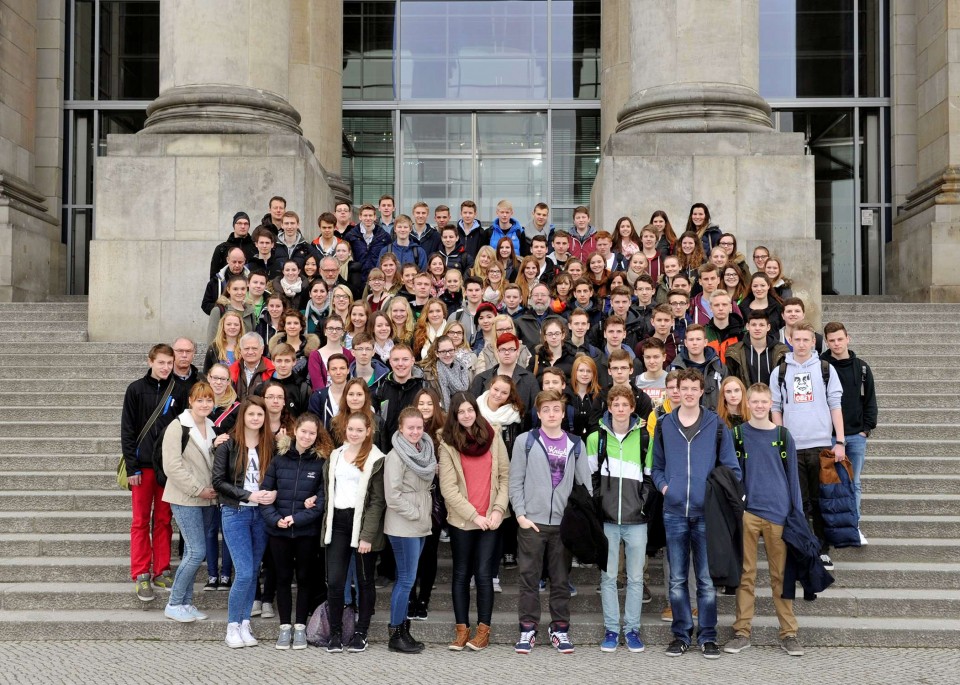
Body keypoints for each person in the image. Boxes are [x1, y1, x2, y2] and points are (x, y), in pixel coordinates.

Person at [652, 368, 741, 659]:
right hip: (674, 511)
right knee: (677, 579)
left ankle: (708, 636)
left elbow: (731, 469)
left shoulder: (716, 426)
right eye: (683, 388)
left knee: (704, 580)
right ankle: (680, 635)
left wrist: (712, 495)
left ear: (702, 391)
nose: (688, 393)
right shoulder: (664, 424)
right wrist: (667, 489)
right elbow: (656, 468)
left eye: (693, 388)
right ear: (675, 391)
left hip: (707, 514)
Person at [723, 383, 805, 658]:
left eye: (763, 402)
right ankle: (742, 631)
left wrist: (797, 515)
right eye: (754, 401)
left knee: (780, 576)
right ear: (748, 403)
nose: (759, 406)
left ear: (771, 403)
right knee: (746, 575)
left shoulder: (783, 436)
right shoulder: (738, 434)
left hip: (778, 514)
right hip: (749, 513)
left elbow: (794, 478)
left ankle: (789, 633)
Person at [510, 390, 593, 655]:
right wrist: (521, 515)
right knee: (529, 578)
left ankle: (559, 628)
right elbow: (515, 481)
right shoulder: (526, 440)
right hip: (531, 522)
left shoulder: (575, 443)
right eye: (546, 410)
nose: (551, 414)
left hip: (562, 526)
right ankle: (527, 628)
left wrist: (578, 521)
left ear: (563, 412)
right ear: (538, 413)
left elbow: (584, 486)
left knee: (560, 579)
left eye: (556, 409)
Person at [770, 321, 846, 570]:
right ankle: (805, 548)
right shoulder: (779, 371)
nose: (801, 344)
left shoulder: (825, 368)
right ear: (789, 340)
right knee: (799, 502)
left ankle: (823, 550)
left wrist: (840, 441)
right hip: (793, 445)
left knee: (821, 500)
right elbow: (776, 408)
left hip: (821, 444)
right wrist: (781, 439)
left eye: (806, 340)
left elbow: (836, 405)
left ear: (813, 342)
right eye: (797, 339)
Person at [438, 392, 510, 651]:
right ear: (454, 416)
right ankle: (461, 630)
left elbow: (504, 476)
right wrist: (474, 516)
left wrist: (497, 511)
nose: (467, 415)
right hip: (463, 521)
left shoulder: (493, 435)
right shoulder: (447, 444)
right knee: (460, 575)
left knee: (483, 576)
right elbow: (448, 489)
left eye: (470, 410)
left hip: (491, 519)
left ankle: (483, 631)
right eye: (461, 412)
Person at [587, 385, 652, 654]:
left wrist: (642, 503)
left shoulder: (645, 437)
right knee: (608, 577)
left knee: (636, 578)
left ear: (632, 408)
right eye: (616, 405)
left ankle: (632, 629)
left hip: (637, 519)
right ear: (609, 407)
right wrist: (601, 503)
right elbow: (590, 478)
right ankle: (612, 629)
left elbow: (649, 477)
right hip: (608, 520)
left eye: (626, 405)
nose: (621, 409)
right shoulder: (596, 439)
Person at [212, 397, 277, 649]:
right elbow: (218, 481)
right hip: (236, 512)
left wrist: (274, 493)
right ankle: (232, 626)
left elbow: (277, 476)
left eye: (259, 415)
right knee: (246, 572)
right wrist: (248, 495)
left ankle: (245, 623)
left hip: (261, 515)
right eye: (251, 414)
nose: (255, 419)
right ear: (243, 416)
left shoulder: (269, 444)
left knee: (253, 573)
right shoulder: (228, 444)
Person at [121, 343, 185, 601]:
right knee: (140, 521)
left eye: (169, 363)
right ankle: (140, 572)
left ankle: (161, 569)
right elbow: (127, 431)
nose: (166, 367)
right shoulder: (135, 389)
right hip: (142, 467)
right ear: (150, 362)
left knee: (163, 520)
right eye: (161, 362)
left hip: (167, 469)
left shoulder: (178, 391)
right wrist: (132, 467)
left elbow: (183, 430)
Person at [260, 413, 327, 650]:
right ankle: (284, 627)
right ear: (294, 430)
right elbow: (265, 496)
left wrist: (296, 519)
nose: (307, 436)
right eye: (304, 431)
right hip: (279, 532)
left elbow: (321, 502)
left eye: (312, 433)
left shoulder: (320, 463)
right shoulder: (278, 460)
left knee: (306, 579)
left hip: (306, 532)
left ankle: (300, 626)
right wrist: (276, 520)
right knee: (282, 578)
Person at [159, 381, 218, 622]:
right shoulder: (177, 426)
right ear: (190, 401)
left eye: (209, 400)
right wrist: (198, 489)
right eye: (200, 399)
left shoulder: (213, 427)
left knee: (195, 553)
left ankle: (186, 603)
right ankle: (174, 603)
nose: (204, 404)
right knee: (195, 552)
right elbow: (172, 466)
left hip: (207, 499)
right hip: (185, 497)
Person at [383, 407, 435, 653]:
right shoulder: (396, 456)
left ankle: (405, 631)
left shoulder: (424, 451)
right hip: (404, 524)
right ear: (400, 429)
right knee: (405, 580)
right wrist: (416, 514)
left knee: (410, 579)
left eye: (419, 427)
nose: (415, 432)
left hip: (420, 523)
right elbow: (392, 497)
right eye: (410, 427)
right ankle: (395, 634)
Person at [823, 321, 878, 544]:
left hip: (856, 435)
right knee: (827, 482)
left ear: (848, 338)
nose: (836, 344)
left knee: (853, 483)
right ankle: (828, 528)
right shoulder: (821, 366)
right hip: (826, 435)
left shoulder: (862, 368)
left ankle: (854, 526)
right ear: (826, 342)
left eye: (840, 339)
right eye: (832, 340)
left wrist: (866, 429)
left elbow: (870, 401)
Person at [405, 390, 447, 622]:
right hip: (411, 498)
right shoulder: (406, 433)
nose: (425, 406)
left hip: (435, 499)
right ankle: (410, 596)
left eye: (429, 403)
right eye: (420, 403)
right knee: (411, 552)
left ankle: (424, 599)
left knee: (429, 552)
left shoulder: (444, 434)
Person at [470, 333, 539, 429]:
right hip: (485, 435)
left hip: (519, 434)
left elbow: (535, 412)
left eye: (511, 349)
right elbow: (472, 409)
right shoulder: (481, 379)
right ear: (497, 352)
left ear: (517, 352)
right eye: (503, 349)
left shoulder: (529, 379)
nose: (507, 353)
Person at [372, 344, 427, 452]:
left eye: (405, 359)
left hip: (417, 451)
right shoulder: (381, 389)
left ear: (412, 361)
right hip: (387, 451)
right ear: (390, 362)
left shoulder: (423, 388)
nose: (400, 364)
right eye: (396, 360)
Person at [669, 324, 727, 412]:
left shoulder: (719, 367)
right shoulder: (674, 367)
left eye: (698, 339)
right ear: (685, 343)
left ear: (705, 342)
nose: (694, 343)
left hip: (713, 420)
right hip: (682, 419)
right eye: (691, 339)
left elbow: (726, 398)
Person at [725, 310, 788, 388]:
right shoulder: (735, 351)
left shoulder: (781, 351)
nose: (757, 328)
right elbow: (730, 380)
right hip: (745, 399)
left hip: (773, 399)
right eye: (754, 325)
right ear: (747, 326)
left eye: (761, 325)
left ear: (768, 327)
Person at [308, 315, 355, 392]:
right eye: (330, 328)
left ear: (343, 332)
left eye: (338, 329)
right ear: (325, 331)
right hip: (322, 399)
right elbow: (317, 385)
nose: (334, 332)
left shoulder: (349, 355)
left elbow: (351, 379)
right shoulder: (315, 355)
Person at [207, 274, 255, 342]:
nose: (240, 292)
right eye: (235, 289)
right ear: (228, 290)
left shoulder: (250, 312)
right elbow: (211, 338)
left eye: (243, 289)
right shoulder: (218, 311)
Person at [202, 246, 250, 316]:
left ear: (244, 261)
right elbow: (205, 305)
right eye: (234, 262)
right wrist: (223, 310)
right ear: (227, 260)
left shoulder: (251, 280)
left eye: (240, 262)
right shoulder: (216, 281)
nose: (237, 265)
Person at [229, 332, 276, 401]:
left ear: (262, 350)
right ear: (240, 350)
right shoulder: (231, 371)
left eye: (254, 348)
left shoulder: (272, 370)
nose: (250, 352)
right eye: (246, 348)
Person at [210, 212, 255, 278]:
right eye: (239, 223)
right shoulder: (222, 248)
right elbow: (214, 277)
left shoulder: (255, 247)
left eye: (246, 224)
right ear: (234, 225)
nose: (243, 226)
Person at [704, 289, 744, 364]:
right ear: (710, 308)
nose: (721, 308)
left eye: (724, 304)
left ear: (730, 307)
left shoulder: (742, 333)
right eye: (716, 305)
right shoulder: (704, 333)